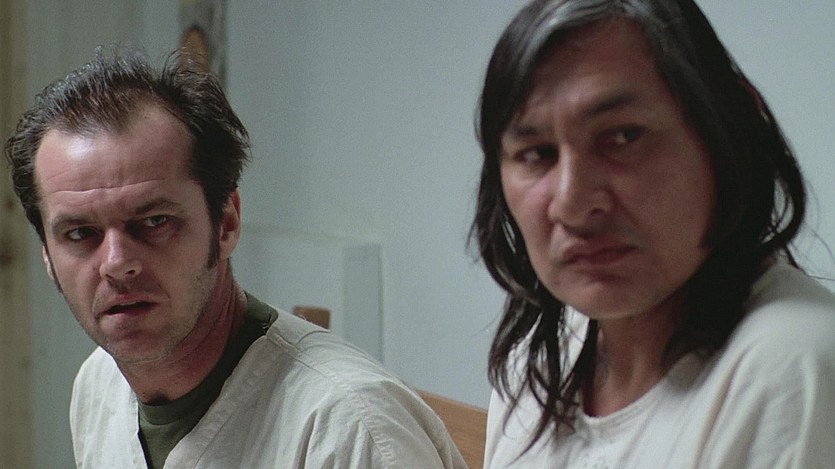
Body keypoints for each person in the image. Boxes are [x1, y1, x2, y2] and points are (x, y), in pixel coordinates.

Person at [4, 48, 465, 469]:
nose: (116, 263)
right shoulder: (100, 385)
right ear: (47, 255)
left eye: (155, 222)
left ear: (225, 224)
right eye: (79, 233)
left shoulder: (350, 431)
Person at [471, 0, 835, 467]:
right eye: (537, 153)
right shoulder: (538, 363)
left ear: (731, 130)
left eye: (623, 137)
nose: (573, 204)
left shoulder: (795, 369)